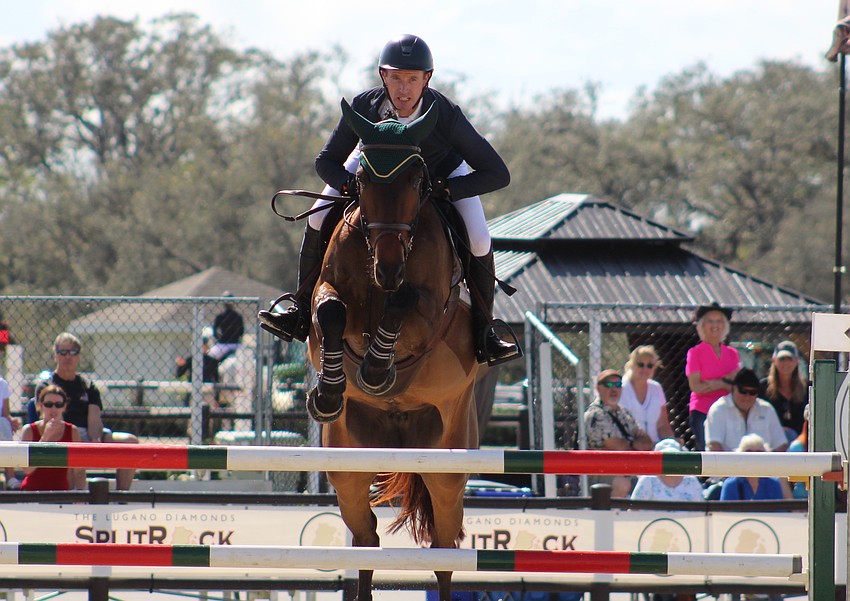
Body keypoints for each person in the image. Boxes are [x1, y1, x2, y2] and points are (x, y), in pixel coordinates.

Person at [258, 34, 520, 367]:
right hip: (370, 170)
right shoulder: (365, 107)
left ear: (427, 79)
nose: (403, 88)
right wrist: (347, 184)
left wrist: (448, 189)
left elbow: (498, 173)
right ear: (383, 76)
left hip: (442, 175)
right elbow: (325, 161)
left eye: (412, 79)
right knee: (315, 216)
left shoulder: (446, 114)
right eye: (395, 77)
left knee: (480, 238)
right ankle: (298, 309)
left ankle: (486, 332)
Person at [35, 332, 139, 490]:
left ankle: (121, 497)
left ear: (79, 357)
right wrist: (74, 439)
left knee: (130, 442)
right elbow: (46, 420)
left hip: (88, 435)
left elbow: (94, 419)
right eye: (62, 352)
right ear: (55, 355)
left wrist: (95, 439)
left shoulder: (88, 386)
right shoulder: (46, 386)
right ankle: (71, 501)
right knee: (70, 450)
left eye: (73, 352)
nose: (67, 357)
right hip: (62, 435)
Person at [584, 369, 653, 497]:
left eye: (618, 385)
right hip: (602, 471)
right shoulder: (594, 414)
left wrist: (630, 444)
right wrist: (635, 444)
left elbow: (647, 442)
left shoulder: (624, 413)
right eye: (609, 385)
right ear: (598, 388)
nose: (614, 389)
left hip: (628, 468)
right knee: (623, 484)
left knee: (654, 481)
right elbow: (617, 446)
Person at [685, 302, 741, 450]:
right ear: (702, 325)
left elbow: (738, 385)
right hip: (703, 410)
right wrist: (726, 381)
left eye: (719, 321)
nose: (715, 325)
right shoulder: (695, 353)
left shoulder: (732, 353)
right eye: (710, 321)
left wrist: (717, 384)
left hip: (729, 409)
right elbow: (696, 386)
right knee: (709, 452)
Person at [705, 368, 788, 453]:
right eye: (743, 391)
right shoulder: (719, 409)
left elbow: (781, 445)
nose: (747, 396)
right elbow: (714, 445)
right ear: (733, 388)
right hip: (729, 464)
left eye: (753, 392)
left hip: (763, 464)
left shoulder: (767, 409)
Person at [20, 385, 81, 491]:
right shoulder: (29, 430)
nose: (53, 409)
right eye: (48, 404)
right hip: (32, 493)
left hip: (61, 494)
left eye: (58, 405)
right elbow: (27, 469)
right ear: (40, 406)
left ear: (64, 407)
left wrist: (80, 495)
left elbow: (78, 470)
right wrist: (45, 437)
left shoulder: (72, 431)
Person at [619, 346, 675, 444]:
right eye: (640, 364)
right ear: (631, 365)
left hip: (656, 446)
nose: (645, 369)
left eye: (650, 366)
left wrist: (672, 442)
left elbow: (662, 426)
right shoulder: (621, 388)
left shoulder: (656, 388)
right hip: (631, 446)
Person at [719, 434, 792, 500]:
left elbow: (779, 512)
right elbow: (726, 513)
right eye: (748, 452)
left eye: (759, 453)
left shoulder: (773, 484)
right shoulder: (731, 485)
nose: (753, 457)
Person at [759, 340, 808, 437]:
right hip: (771, 441)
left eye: (789, 359)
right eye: (781, 359)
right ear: (774, 360)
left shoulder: (807, 389)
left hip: (801, 443)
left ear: (797, 361)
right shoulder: (763, 387)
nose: (785, 363)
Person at [631, 438, 705, 501]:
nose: (670, 462)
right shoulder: (648, 481)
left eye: (674, 457)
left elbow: (703, 513)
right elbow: (633, 512)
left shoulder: (692, 482)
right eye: (665, 458)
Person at [208, 293, 244, 362]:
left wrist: (218, 338)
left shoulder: (221, 316)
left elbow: (215, 330)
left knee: (210, 356)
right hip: (235, 344)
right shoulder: (237, 316)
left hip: (223, 344)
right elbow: (241, 331)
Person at [0, 376, 22, 489]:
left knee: (4, 422)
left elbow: (5, 413)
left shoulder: (2, 383)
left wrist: (12, 421)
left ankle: (10, 476)